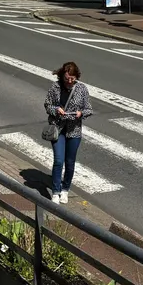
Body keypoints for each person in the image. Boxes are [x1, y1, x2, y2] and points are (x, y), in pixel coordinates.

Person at [43, 61, 93, 204]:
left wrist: (80, 113)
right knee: (59, 160)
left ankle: (65, 189)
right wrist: (56, 110)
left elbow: (89, 109)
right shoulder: (55, 87)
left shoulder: (82, 89)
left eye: (73, 78)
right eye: (67, 79)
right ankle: (55, 191)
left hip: (74, 130)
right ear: (62, 77)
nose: (70, 81)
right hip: (57, 128)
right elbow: (47, 105)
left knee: (70, 162)